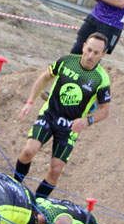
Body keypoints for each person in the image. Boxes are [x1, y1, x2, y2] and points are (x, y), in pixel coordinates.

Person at [14, 33, 111, 199]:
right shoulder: (66, 61)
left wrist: (87, 121)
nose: (90, 55)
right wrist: (30, 101)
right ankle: (14, 188)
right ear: (83, 46)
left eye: (96, 53)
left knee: (56, 170)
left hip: (70, 127)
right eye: (89, 50)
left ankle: (37, 205)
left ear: (103, 54)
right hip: (50, 114)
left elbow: (105, 110)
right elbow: (44, 77)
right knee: (29, 151)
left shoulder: (101, 79)